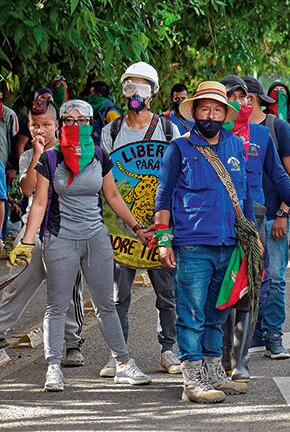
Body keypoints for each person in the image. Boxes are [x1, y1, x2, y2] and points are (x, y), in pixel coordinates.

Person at [10, 99, 152, 392]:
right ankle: (52, 367)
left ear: (90, 124)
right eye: (70, 120)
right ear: (62, 124)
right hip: (60, 239)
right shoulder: (50, 159)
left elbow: (112, 197)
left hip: (96, 238)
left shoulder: (100, 155)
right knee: (56, 305)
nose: (76, 126)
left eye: (82, 121)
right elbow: (39, 202)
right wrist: (25, 241)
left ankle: (123, 363)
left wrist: (137, 227)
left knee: (106, 305)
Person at [154, 81, 252, 403]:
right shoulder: (178, 149)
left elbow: (244, 195)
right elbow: (163, 197)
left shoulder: (236, 146)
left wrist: (251, 236)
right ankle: (191, 382)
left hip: (230, 243)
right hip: (193, 245)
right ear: (194, 112)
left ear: (226, 114)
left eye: (217, 110)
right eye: (204, 109)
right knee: (191, 313)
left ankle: (214, 372)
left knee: (218, 312)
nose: (210, 115)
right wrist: (164, 240)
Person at [100, 62, 183, 378]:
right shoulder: (111, 131)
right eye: (129, 87)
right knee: (118, 296)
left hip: (160, 226)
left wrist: (168, 226)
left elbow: (177, 176)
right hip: (122, 229)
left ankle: (168, 350)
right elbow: (106, 182)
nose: (135, 94)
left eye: (142, 88)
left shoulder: (169, 130)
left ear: (154, 92)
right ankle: (117, 355)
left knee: (167, 293)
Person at [221, 76, 290, 382]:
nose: (239, 103)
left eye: (243, 97)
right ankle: (221, 356)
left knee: (253, 288)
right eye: (232, 97)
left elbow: (279, 175)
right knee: (221, 290)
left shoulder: (262, 135)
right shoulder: (206, 138)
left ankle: (240, 360)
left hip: (255, 225)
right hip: (218, 225)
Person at [0, 101, 79, 356]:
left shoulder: (73, 151)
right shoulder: (28, 156)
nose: (41, 130)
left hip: (66, 229)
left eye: (46, 125)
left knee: (65, 290)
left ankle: (72, 344)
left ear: (57, 124)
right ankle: (1, 329)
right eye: (35, 126)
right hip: (33, 229)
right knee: (19, 279)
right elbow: (26, 189)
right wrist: (37, 153)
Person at [243, 77, 290, 359]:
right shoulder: (229, 131)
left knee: (276, 278)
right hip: (242, 221)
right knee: (247, 278)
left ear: (250, 100)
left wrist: (283, 213)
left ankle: (274, 335)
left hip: (271, 217)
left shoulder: (277, 128)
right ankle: (254, 330)